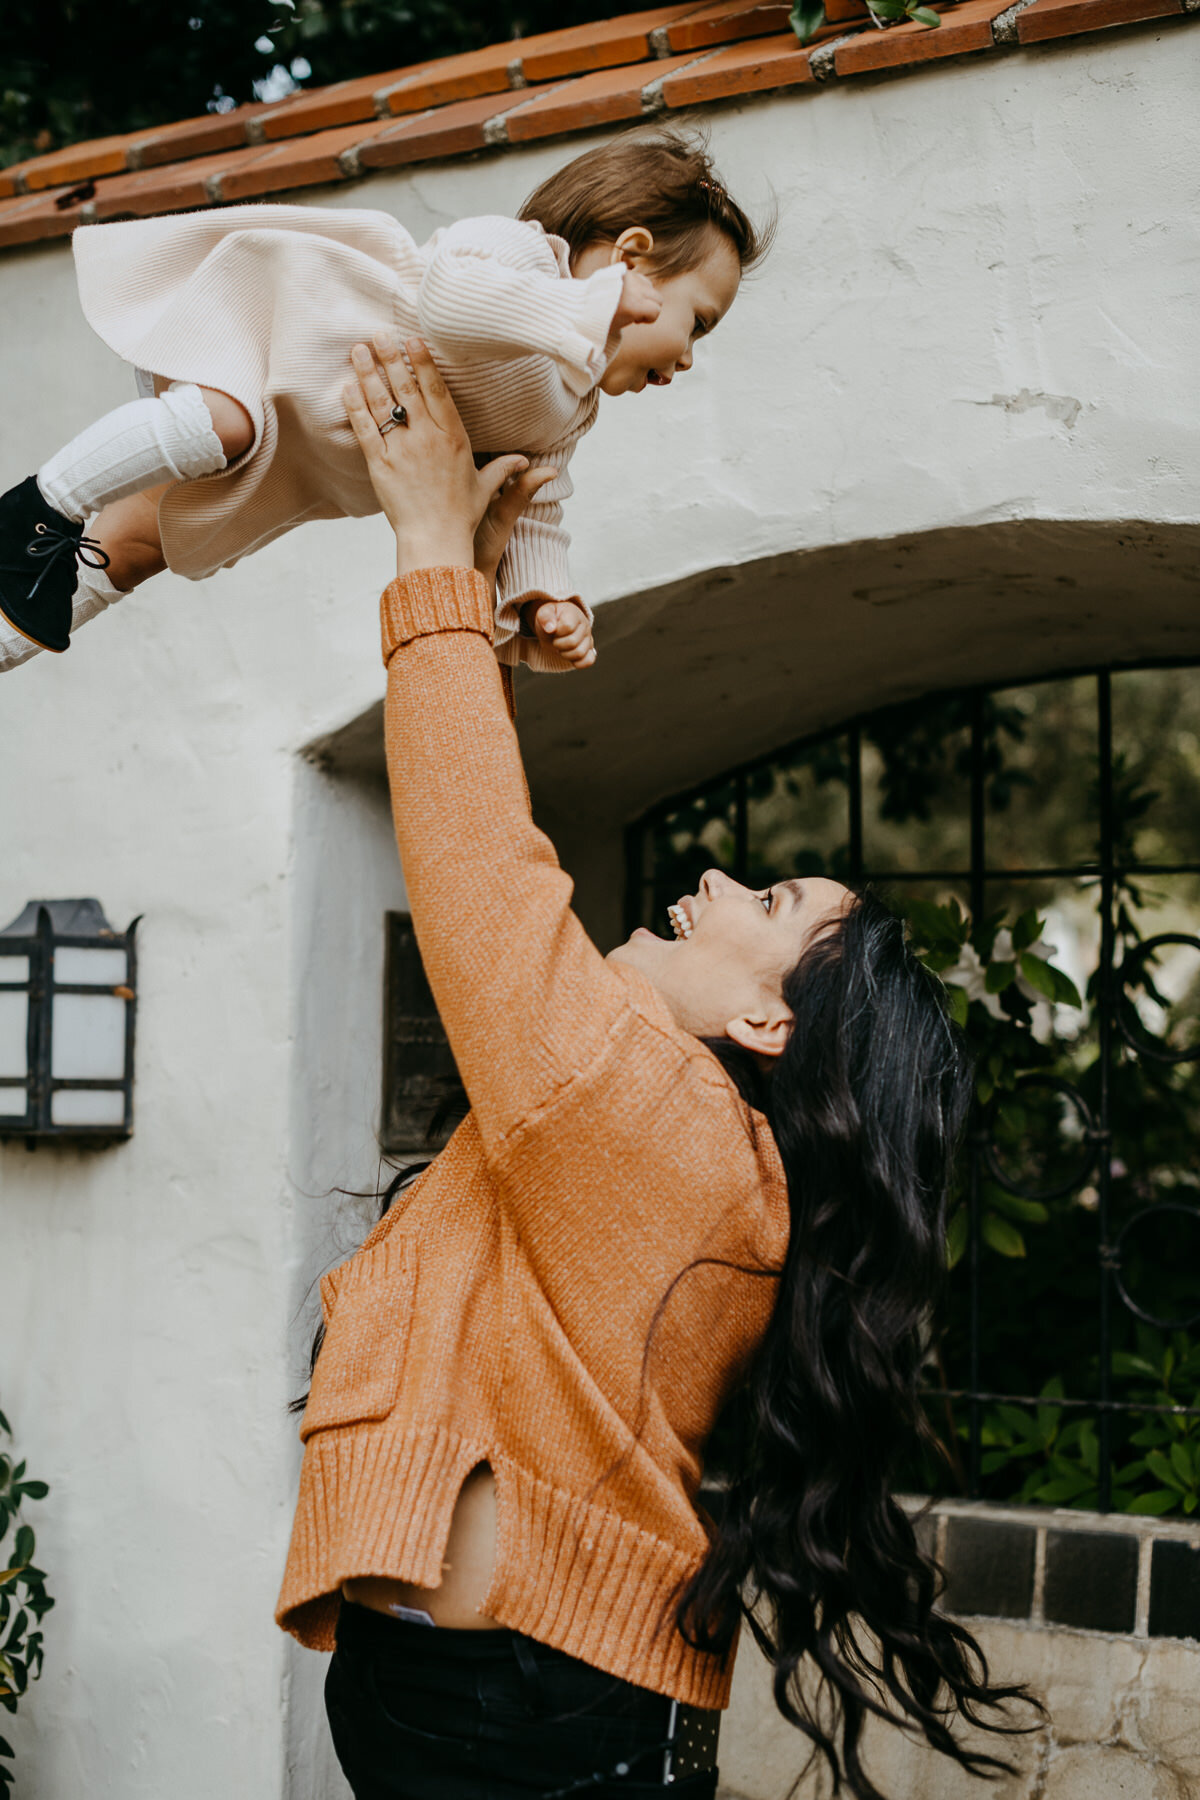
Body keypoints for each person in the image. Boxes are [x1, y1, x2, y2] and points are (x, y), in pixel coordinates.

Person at [274, 336, 1031, 1800]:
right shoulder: (650, 1138)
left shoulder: (677, 1136)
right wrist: (485, 601)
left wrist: (428, 553)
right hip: (476, 1696)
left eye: (768, 908)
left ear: (766, 1030)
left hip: (526, 1714)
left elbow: (488, 882)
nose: (710, 876)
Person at [0, 129, 760, 674]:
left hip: (286, 462)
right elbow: (450, 302)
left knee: (133, 551)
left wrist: (542, 603)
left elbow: (533, 507)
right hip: (271, 346)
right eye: (697, 321)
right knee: (224, 425)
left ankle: (12, 632)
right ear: (631, 257)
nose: (690, 357)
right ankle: (41, 502)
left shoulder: (572, 407)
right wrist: (584, 312)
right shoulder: (521, 257)